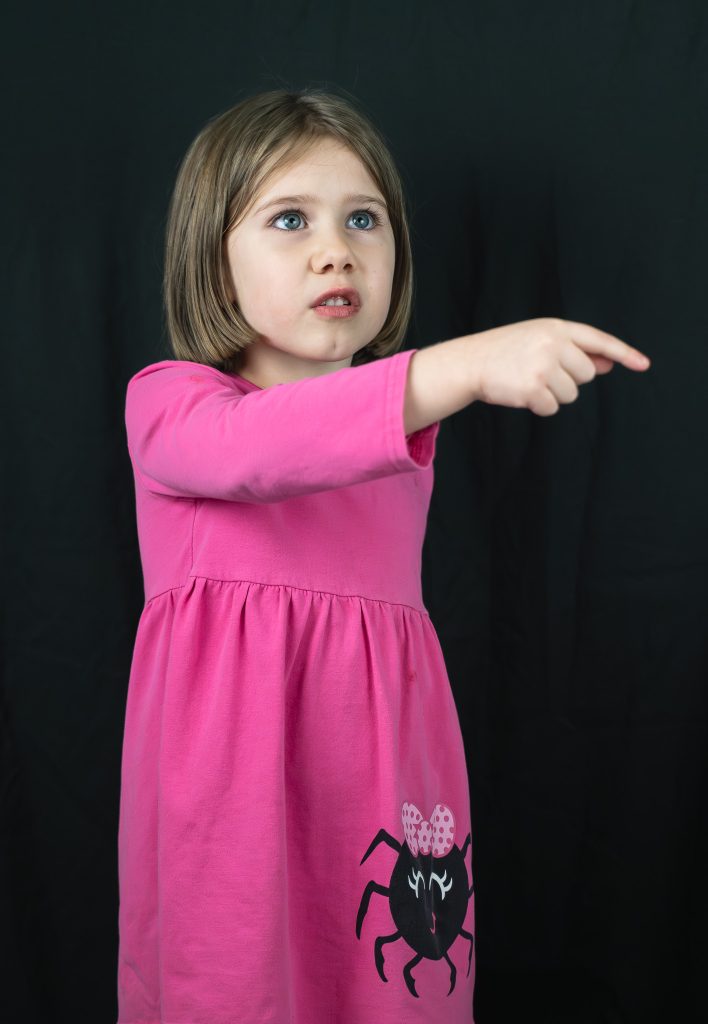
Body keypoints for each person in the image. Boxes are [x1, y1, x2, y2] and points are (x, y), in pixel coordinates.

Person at [116, 87, 651, 1024]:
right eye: (290, 219)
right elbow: (254, 451)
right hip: (234, 798)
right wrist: (468, 365)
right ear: (211, 254)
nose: (337, 248)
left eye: (364, 218)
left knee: (395, 997)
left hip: (381, 784)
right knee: (235, 988)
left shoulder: (401, 442)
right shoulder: (168, 404)